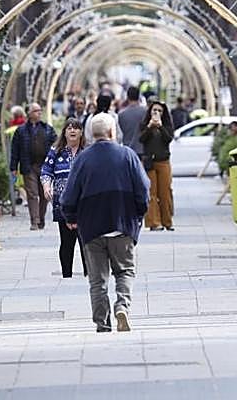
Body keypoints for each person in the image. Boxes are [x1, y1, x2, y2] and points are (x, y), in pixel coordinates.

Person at [61, 113, 150, 333]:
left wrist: (71, 218)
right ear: (112, 132)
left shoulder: (83, 159)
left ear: (91, 134)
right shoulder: (128, 156)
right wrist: (138, 215)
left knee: (97, 279)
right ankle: (122, 306)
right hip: (122, 224)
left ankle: (102, 322)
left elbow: (69, 195)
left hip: (92, 227)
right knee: (125, 271)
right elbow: (143, 190)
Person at [41, 118, 89, 277]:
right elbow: (46, 171)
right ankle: (66, 274)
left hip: (84, 204)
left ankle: (89, 274)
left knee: (86, 242)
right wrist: (46, 185)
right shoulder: (56, 150)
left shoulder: (87, 151)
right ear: (64, 132)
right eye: (69, 128)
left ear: (81, 132)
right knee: (66, 242)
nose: (72, 131)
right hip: (63, 204)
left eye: (76, 128)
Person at [10, 102, 56, 230]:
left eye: (40, 110)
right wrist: (13, 167)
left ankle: (41, 219)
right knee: (32, 194)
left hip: (45, 166)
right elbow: (15, 150)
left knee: (44, 194)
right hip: (28, 166)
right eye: (36, 111)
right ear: (29, 114)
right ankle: (34, 221)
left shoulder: (47, 129)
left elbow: (56, 145)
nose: (39, 113)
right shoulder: (21, 131)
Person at [139, 101, 175, 231]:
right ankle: (154, 222)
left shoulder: (166, 125)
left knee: (165, 192)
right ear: (150, 112)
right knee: (151, 193)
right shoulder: (145, 125)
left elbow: (168, 139)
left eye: (160, 111)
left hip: (163, 161)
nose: (157, 113)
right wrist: (149, 127)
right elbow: (141, 139)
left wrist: (160, 127)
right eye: (154, 110)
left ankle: (167, 221)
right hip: (149, 162)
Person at [117, 86, 144, 155]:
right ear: (138, 96)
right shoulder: (146, 112)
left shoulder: (121, 114)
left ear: (127, 97)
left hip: (127, 150)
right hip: (143, 150)